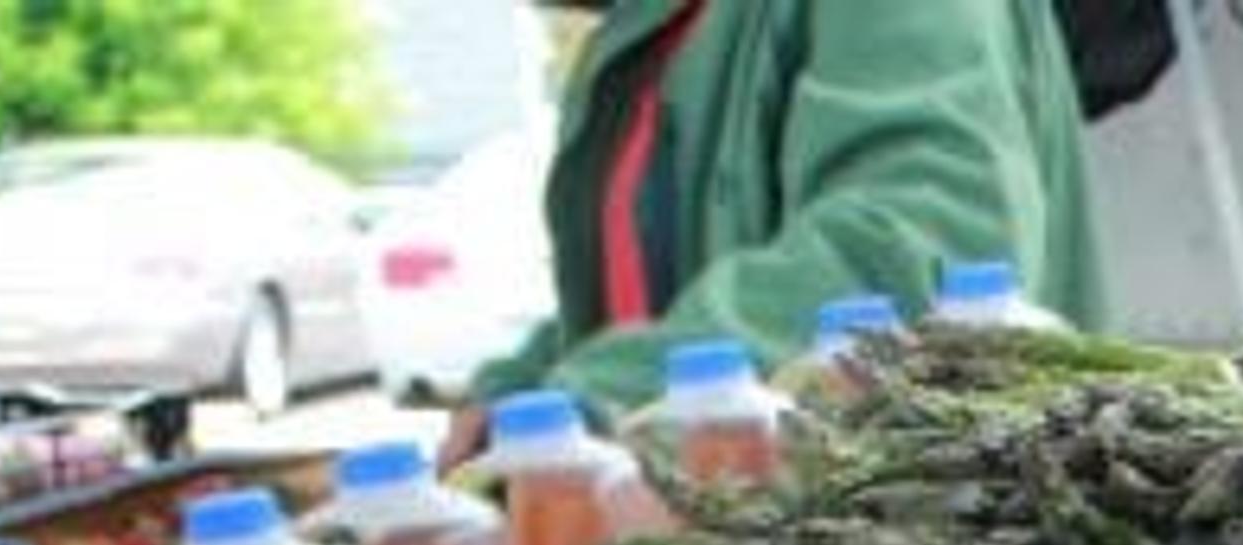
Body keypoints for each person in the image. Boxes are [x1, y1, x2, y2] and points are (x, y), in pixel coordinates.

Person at [452, 0, 1109, 450]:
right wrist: (525, 389)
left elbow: (915, 247)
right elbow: (668, 274)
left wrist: (603, 395)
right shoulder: (652, 26)